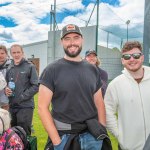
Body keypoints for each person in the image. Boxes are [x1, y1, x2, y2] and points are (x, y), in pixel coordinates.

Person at [38, 24, 107, 150]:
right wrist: (57, 142)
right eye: (67, 39)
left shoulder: (92, 69)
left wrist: (102, 130)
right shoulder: (51, 70)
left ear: (82, 40)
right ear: (61, 42)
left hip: (92, 135)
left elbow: (99, 103)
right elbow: (42, 108)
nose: (72, 43)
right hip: (64, 137)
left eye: (76, 37)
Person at [104, 41, 150, 150]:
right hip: (128, 147)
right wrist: (120, 136)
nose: (132, 59)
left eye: (136, 55)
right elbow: (108, 111)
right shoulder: (115, 84)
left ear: (142, 57)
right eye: (127, 56)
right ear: (122, 60)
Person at [5, 44, 39, 135]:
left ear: (22, 53)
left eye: (18, 52)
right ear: (11, 54)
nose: (16, 55)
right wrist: (6, 90)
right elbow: (7, 84)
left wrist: (23, 96)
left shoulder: (30, 66)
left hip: (25, 106)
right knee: (13, 134)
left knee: (24, 135)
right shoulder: (9, 67)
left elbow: (36, 86)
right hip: (12, 106)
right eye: (14, 53)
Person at [0, 45, 11, 110]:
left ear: (6, 54)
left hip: (6, 101)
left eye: (2, 53)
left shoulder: (11, 66)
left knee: (6, 119)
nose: (0, 55)